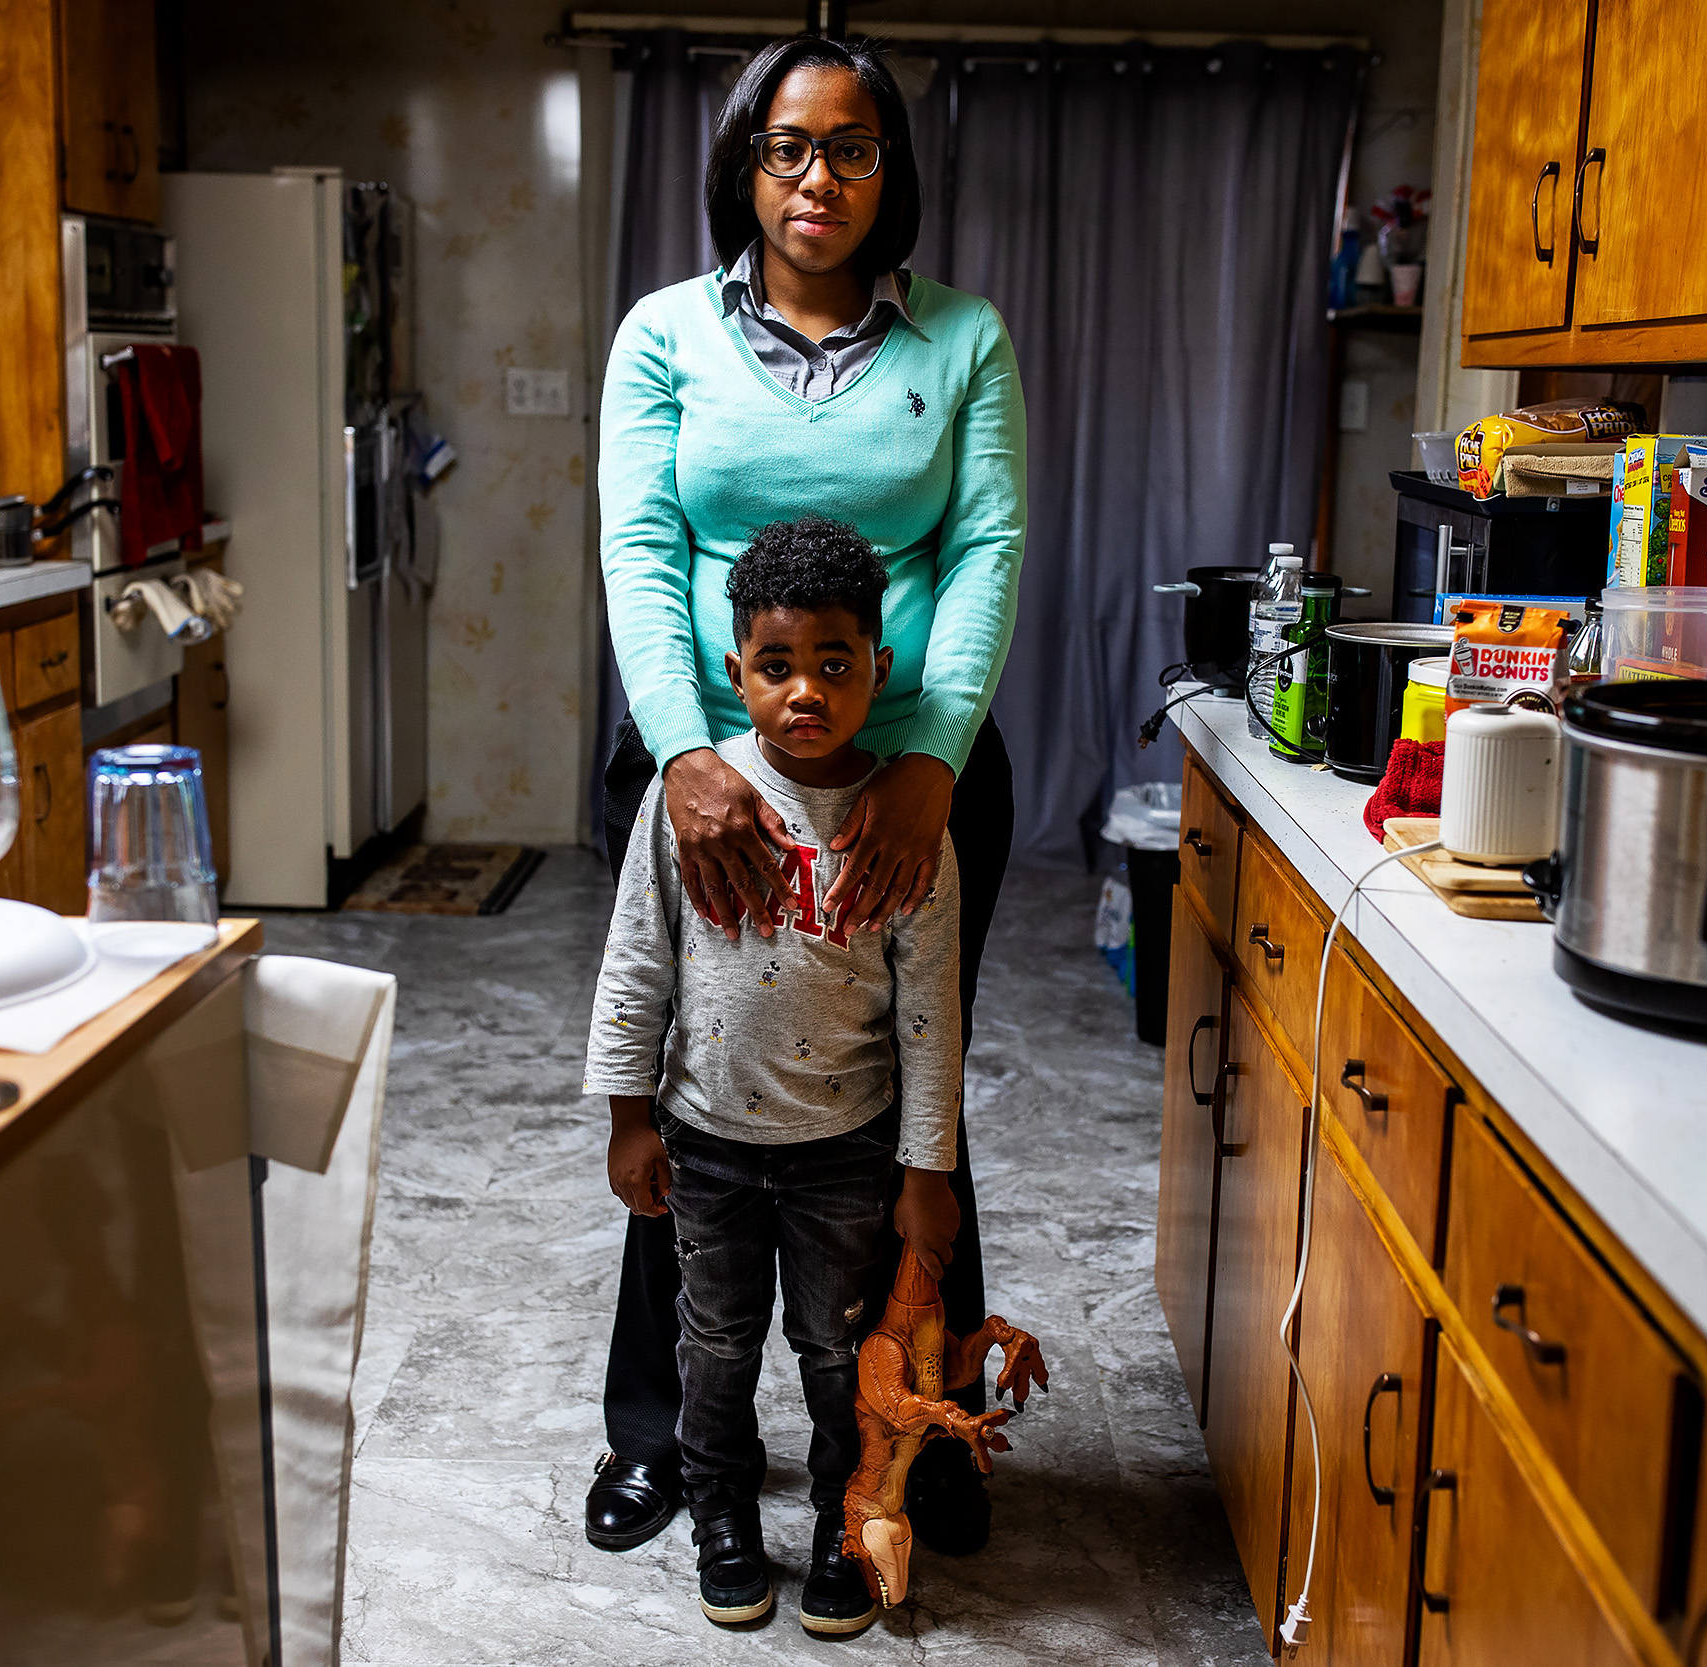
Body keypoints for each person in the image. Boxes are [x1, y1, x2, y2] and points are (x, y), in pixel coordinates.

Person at [588, 32, 1027, 1560]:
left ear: (889, 169)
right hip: (699, 774)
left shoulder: (960, 338)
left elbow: (983, 550)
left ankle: (922, 1425)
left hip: (909, 777)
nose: (816, 177)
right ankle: (658, 1432)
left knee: (914, 1102)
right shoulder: (662, 335)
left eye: (850, 147)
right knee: (696, 1093)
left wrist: (932, 760)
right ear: (743, 163)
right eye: (786, 146)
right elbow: (641, 547)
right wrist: (684, 753)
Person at [586, 518, 1002, 1636]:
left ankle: (838, 1514)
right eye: (776, 666)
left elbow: (930, 1017)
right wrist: (631, 1118)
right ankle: (721, 1510)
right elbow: (637, 965)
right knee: (713, 1343)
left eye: (834, 663)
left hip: (846, 1153)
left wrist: (926, 1170)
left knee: (836, 1348)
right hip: (709, 1143)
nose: (805, 690)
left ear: (880, 669)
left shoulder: (907, 829)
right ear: (735, 672)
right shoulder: (690, 810)